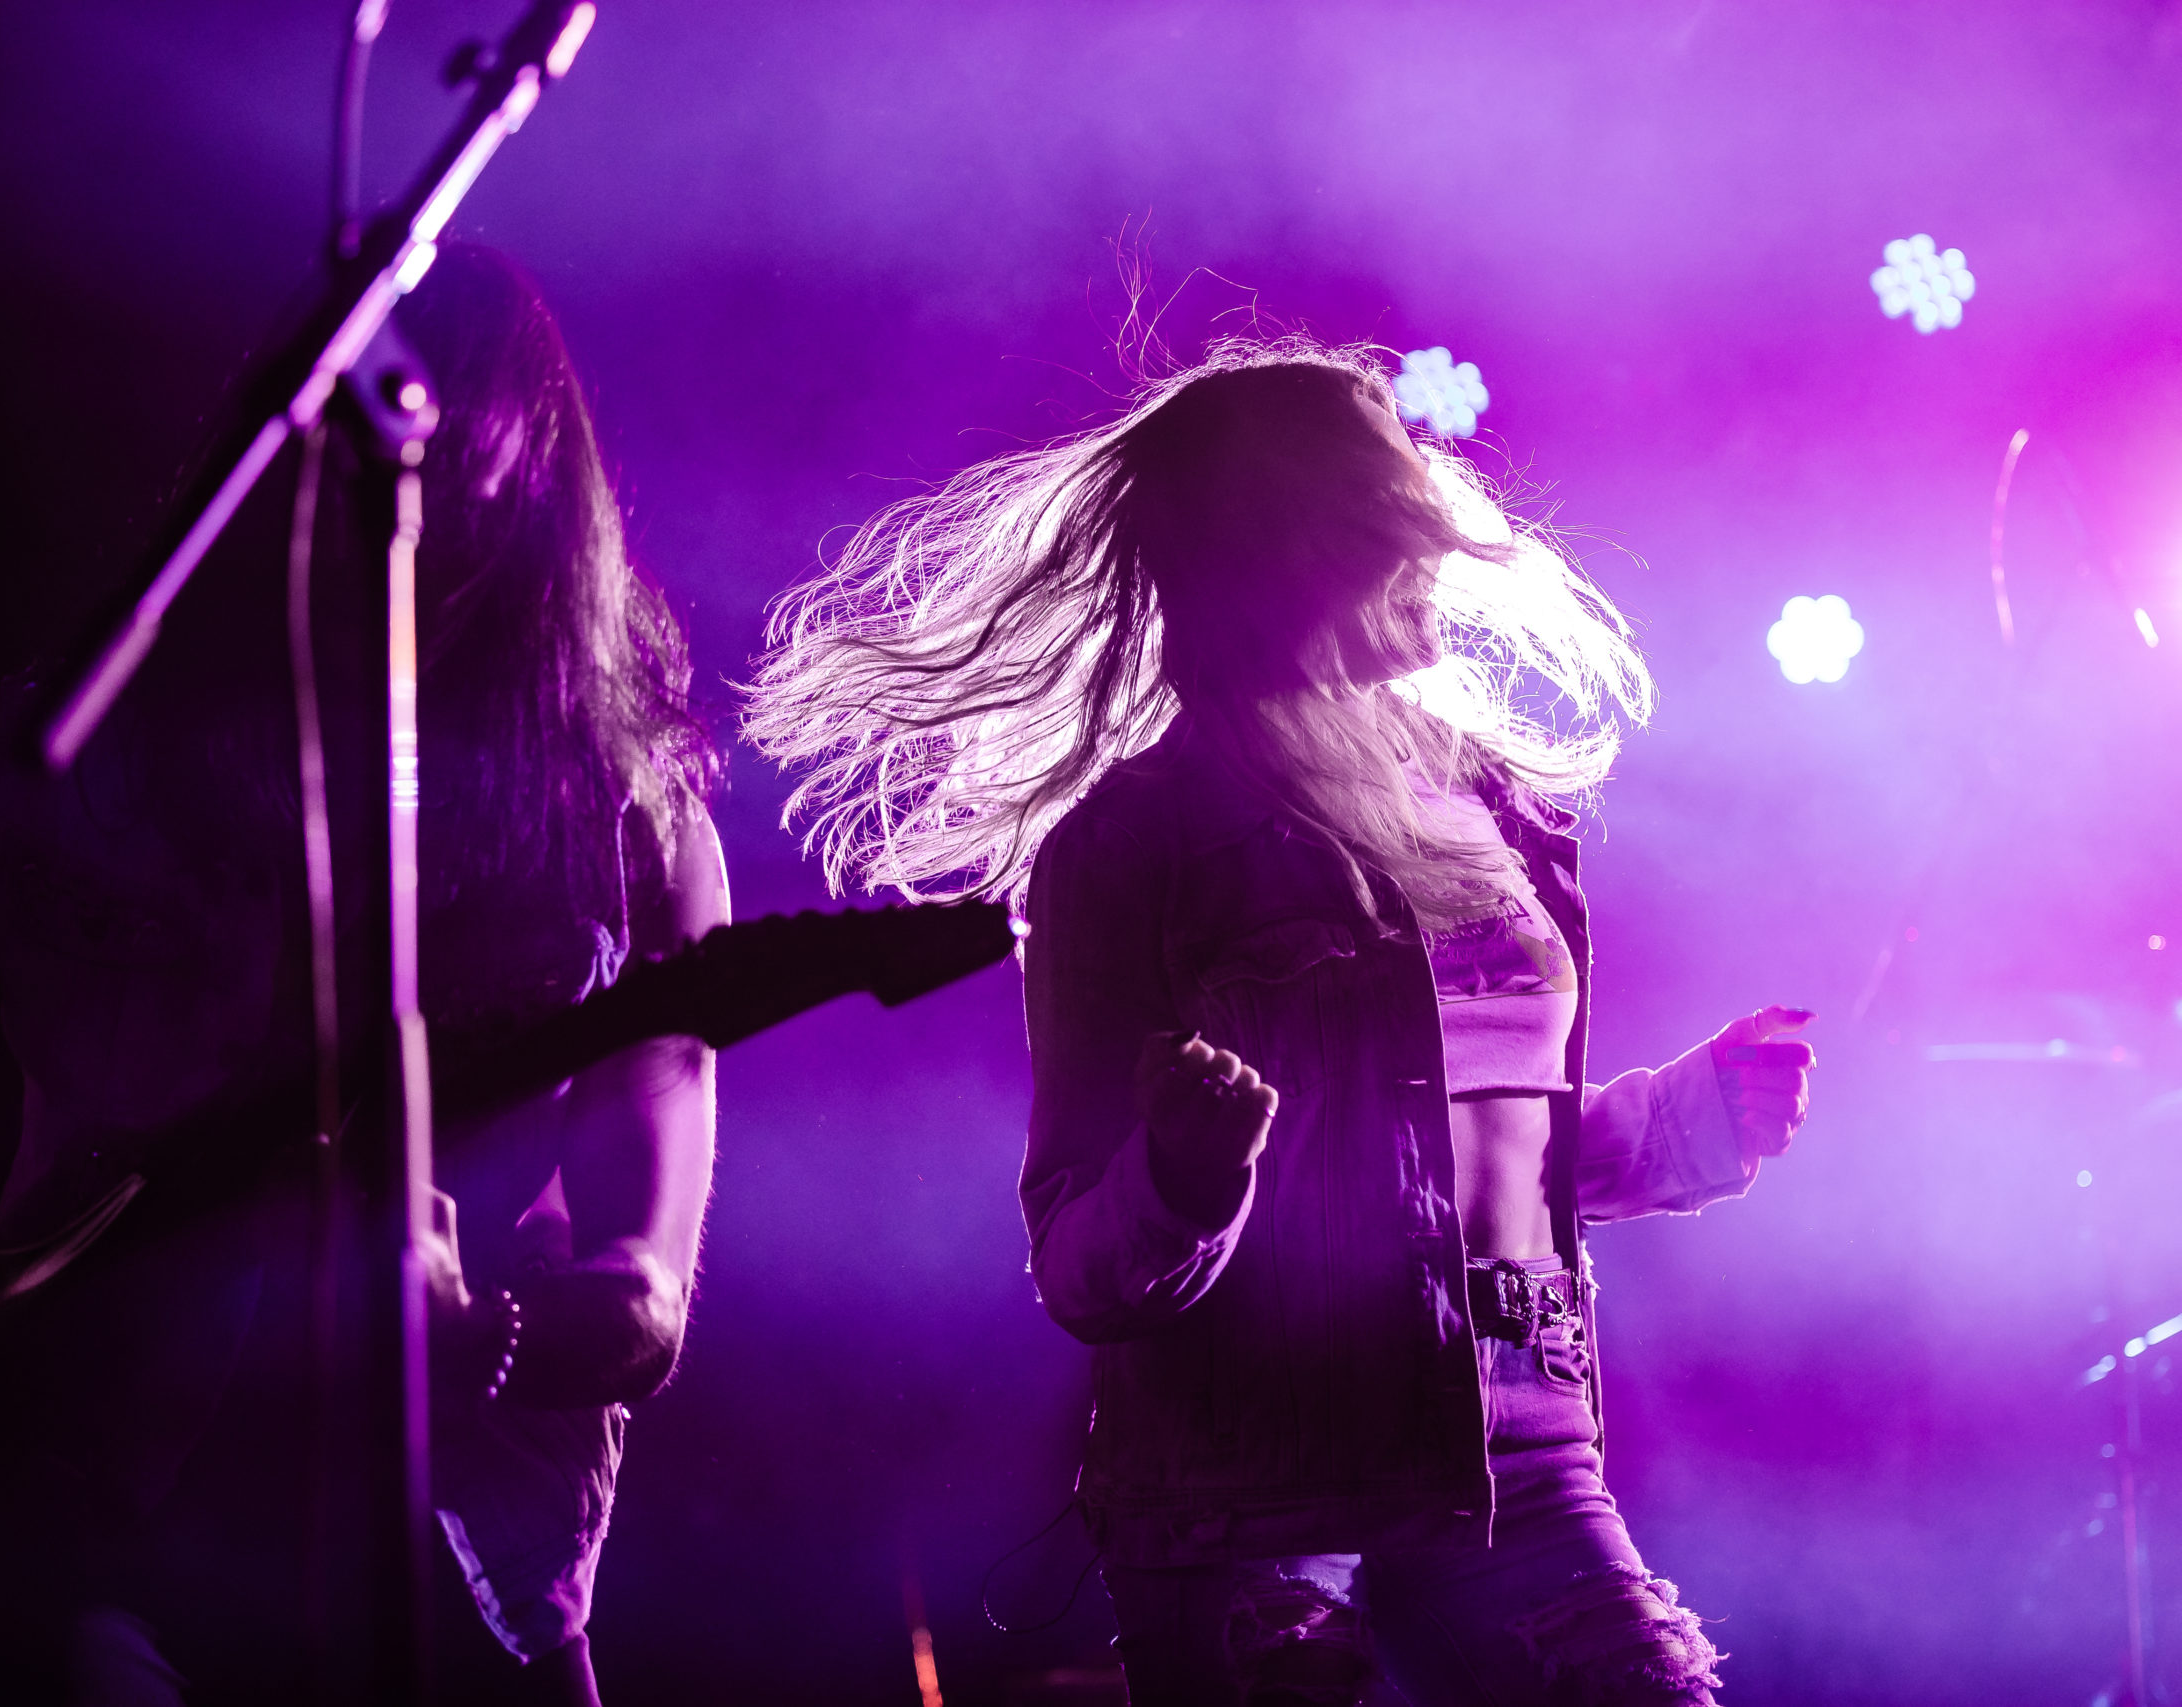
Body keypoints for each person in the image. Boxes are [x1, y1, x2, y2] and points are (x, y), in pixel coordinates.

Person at [745, 336, 1814, 1705]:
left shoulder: (1499, 816)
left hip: (1522, 1471)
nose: (1433, 547)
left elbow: (1467, 1174)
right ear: (1293, 557)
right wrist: (1184, 1179)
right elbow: (1079, 1265)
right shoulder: (1130, 846)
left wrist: (1685, 1122)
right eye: (1390, 520)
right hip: (1252, 1505)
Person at [0, 243, 724, 1705]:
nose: (384, 548)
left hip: (455, 1551)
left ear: (520, 499)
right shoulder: (93, 752)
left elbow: (645, 1298)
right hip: (93, 1508)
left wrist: (482, 1335)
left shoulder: (622, 827)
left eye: (438, 500)